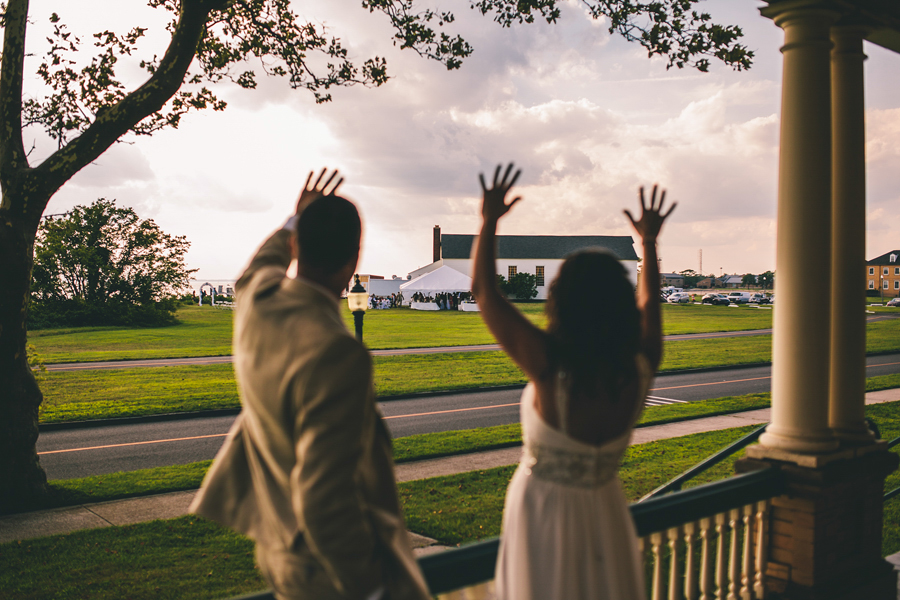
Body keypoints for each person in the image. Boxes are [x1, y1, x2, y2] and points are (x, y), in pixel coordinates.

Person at [189, 169, 430, 600]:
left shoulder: (255, 299)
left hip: (279, 550)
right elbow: (325, 496)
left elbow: (261, 264)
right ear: (354, 259)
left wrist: (294, 219)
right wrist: (371, 588)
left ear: (297, 246)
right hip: (331, 574)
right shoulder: (338, 353)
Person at [471, 164, 674, 600]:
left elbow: (484, 291)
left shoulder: (550, 366)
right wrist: (649, 243)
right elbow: (651, 299)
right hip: (606, 509)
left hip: (543, 512)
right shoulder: (641, 364)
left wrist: (488, 221)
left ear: (561, 301)